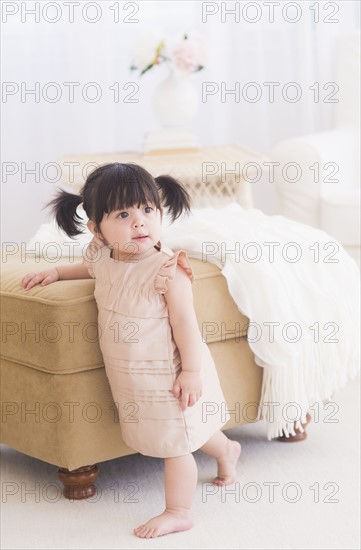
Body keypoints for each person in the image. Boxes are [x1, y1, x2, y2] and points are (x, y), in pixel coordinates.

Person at [21, 163, 241, 539]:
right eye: (123, 214)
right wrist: (58, 272)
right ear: (97, 229)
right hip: (133, 374)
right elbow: (92, 270)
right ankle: (228, 451)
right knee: (187, 432)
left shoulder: (166, 270)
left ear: (160, 212)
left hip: (172, 373)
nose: (139, 222)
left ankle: (178, 510)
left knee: (177, 444)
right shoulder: (104, 257)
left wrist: (190, 372)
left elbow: (186, 325)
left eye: (147, 210)